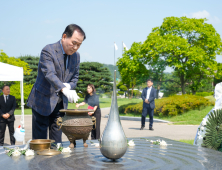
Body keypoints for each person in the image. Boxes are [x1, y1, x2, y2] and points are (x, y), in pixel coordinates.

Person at [27, 24, 85, 143]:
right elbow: (50, 74)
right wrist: (64, 89)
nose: (75, 47)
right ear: (64, 37)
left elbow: (75, 78)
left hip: (60, 105)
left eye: (79, 45)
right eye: (73, 43)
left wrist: (69, 86)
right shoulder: (48, 50)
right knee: (40, 143)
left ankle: (55, 161)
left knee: (56, 142)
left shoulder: (76, 57)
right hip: (42, 102)